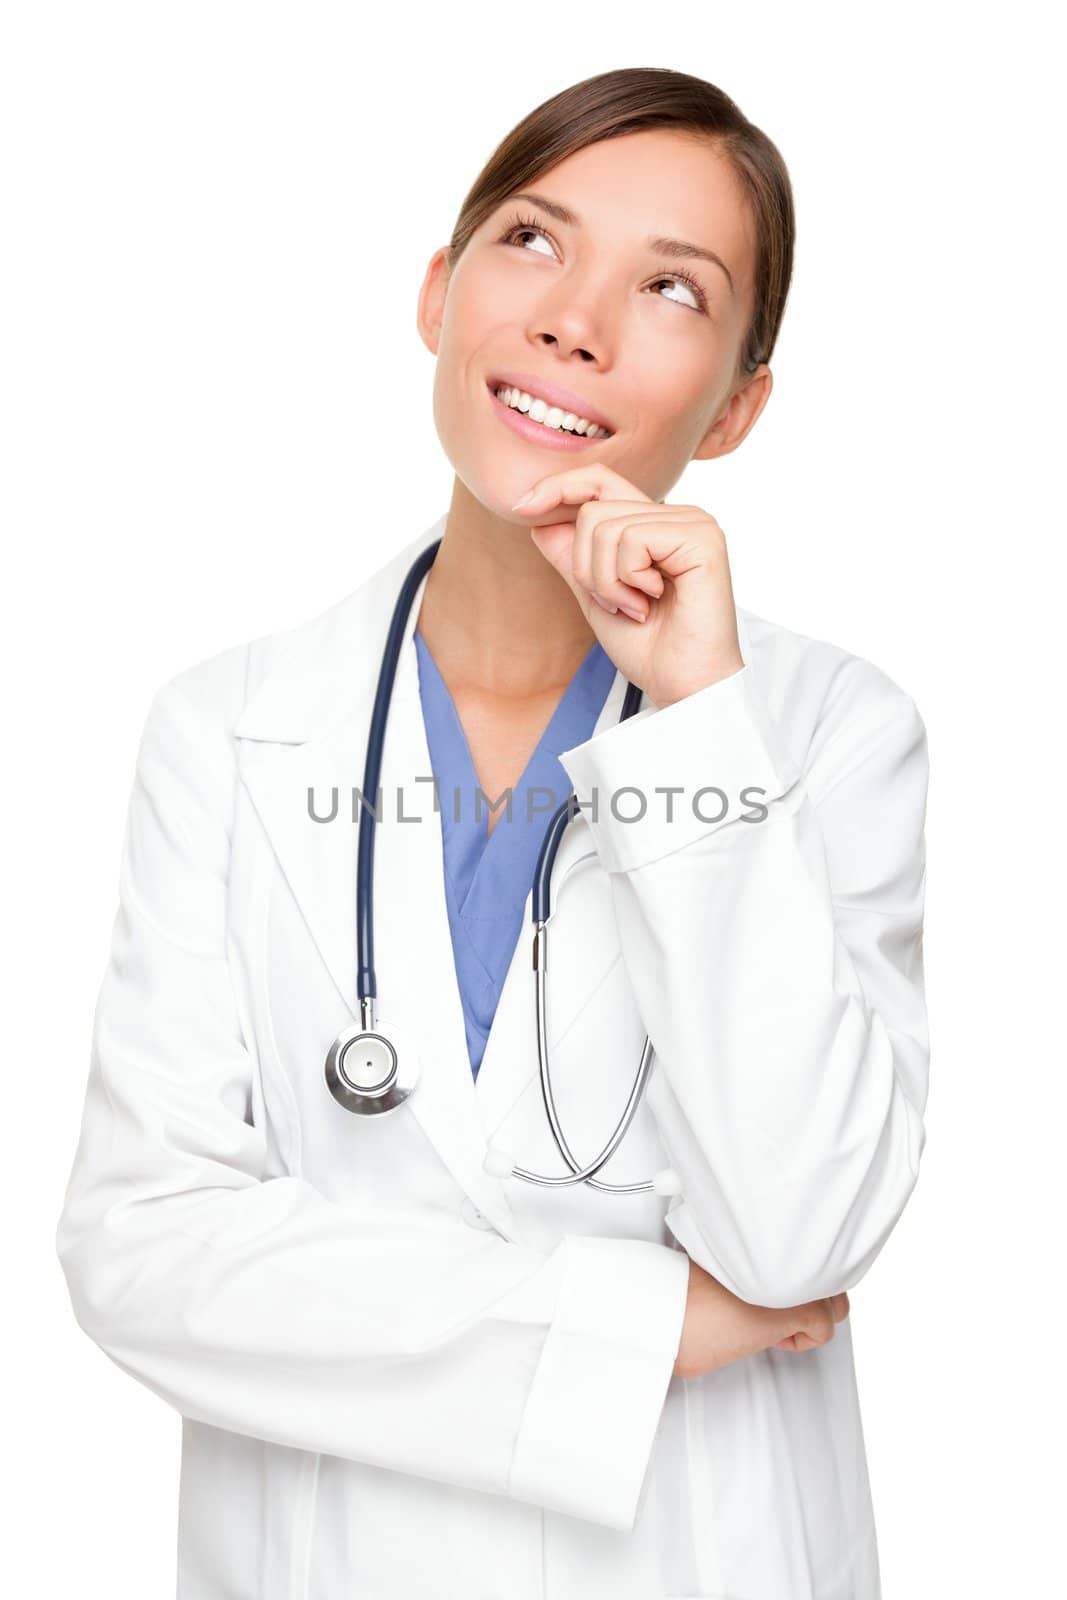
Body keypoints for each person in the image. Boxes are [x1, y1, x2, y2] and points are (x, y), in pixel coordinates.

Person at [55, 66, 929, 1600]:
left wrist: (698, 718)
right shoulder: (230, 728)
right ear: (439, 293)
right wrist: (643, 1329)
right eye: (533, 242)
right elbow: (141, 1255)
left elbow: (801, 1236)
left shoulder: (827, 734)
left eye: (671, 286)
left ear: (736, 406)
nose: (574, 319)